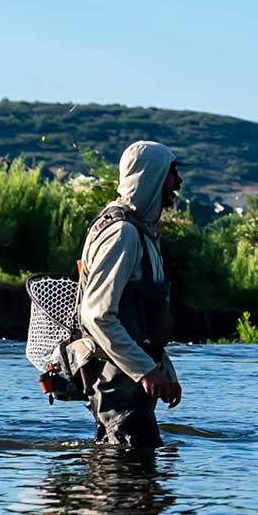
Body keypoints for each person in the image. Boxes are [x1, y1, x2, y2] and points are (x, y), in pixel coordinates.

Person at [78, 140, 184, 447]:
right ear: (151, 175)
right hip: (116, 384)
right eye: (172, 172)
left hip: (128, 380)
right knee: (131, 477)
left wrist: (163, 367)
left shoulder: (140, 232)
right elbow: (97, 315)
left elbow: (139, 318)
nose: (178, 181)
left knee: (132, 480)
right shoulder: (122, 234)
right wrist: (146, 371)